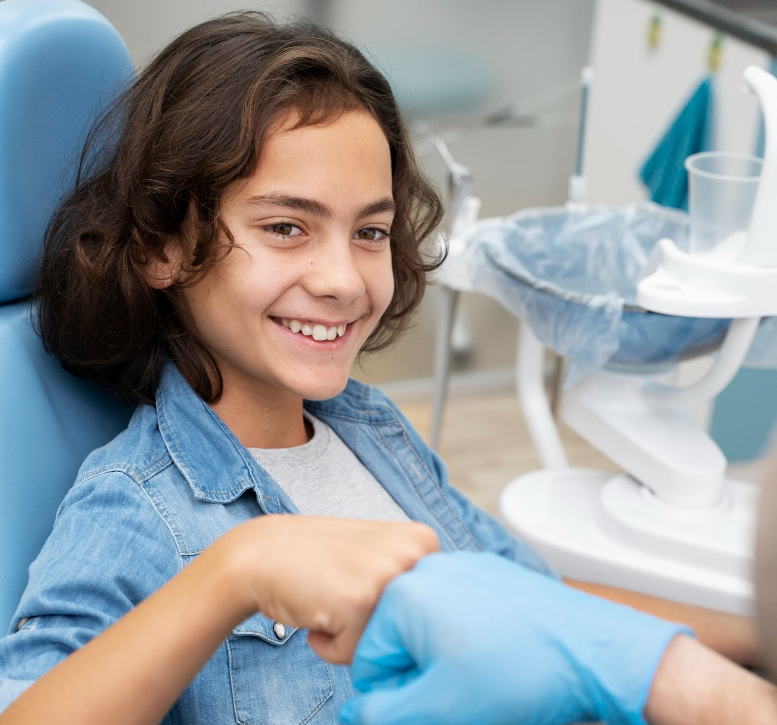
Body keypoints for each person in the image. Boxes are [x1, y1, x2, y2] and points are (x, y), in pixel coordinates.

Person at [0, 11, 758, 725]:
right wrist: (235, 573)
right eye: (286, 227)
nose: (343, 278)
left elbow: (532, 599)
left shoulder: (372, 429)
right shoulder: (135, 507)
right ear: (161, 249)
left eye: (368, 231)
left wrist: (747, 638)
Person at [339, 450, 777, 725]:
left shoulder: (374, 433)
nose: (342, 293)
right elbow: (543, 602)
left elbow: (541, 597)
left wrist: (667, 672)